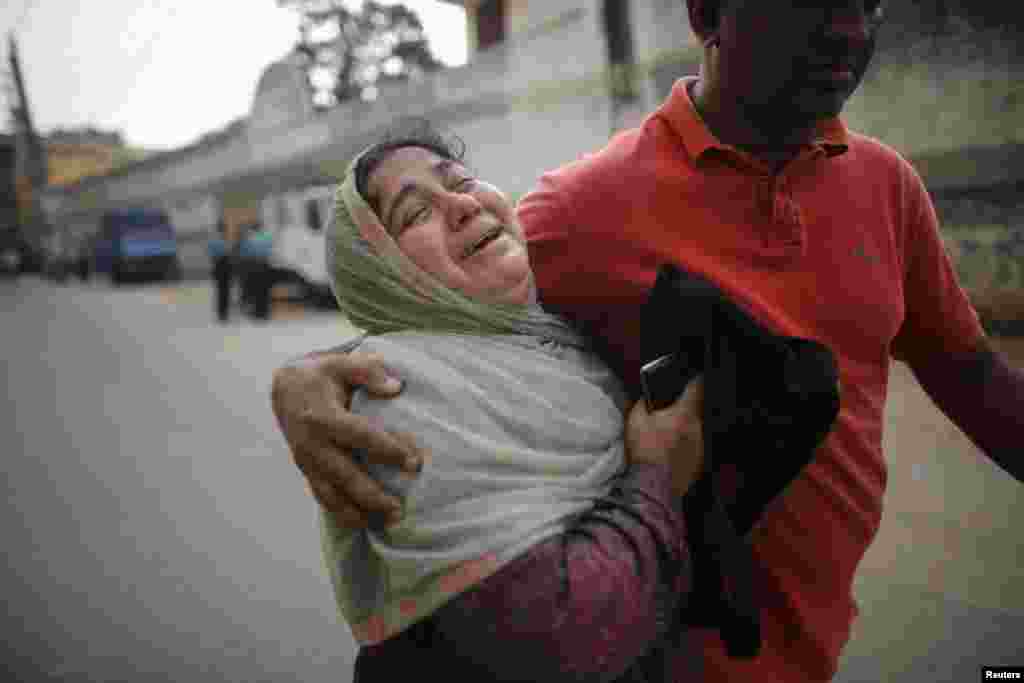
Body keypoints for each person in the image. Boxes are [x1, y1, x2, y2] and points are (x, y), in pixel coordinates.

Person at [271, 1, 1024, 681]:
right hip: (667, 656)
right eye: (809, 5)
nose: (848, 31)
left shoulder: (888, 187)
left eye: (867, 5)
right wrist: (310, 379)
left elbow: (971, 374)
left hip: (816, 646)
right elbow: (440, 315)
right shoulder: (585, 208)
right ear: (707, 15)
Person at [319, 126, 707, 681]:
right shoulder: (400, 397)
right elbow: (556, 640)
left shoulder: (555, 337)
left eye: (460, 181)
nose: (459, 205)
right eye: (414, 215)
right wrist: (658, 477)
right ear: (383, 278)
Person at [208, 219, 233, 323]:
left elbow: (210, 254)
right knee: (225, 291)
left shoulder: (213, 240)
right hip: (225, 265)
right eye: (224, 229)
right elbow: (229, 253)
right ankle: (224, 314)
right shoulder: (225, 240)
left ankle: (221, 314)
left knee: (220, 291)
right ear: (223, 229)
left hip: (217, 266)